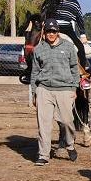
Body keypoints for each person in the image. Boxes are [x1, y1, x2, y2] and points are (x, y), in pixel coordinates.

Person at [30, 18, 80, 166]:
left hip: (64, 89)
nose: (51, 34)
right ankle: (43, 154)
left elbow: (74, 69)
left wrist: (74, 88)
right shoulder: (38, 49)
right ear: (44, 33)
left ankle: (70, 144)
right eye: (49, 31)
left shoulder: (69, 47)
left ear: (58, 33)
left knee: (66, 121)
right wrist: (34, 92)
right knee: (44, 124)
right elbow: (34, 72)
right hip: (44, 89)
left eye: (54, 31)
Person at [40, 0, 89, 71]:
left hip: (68, 29)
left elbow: (79, 19)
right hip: (52, 29)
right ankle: (33, 70)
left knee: (81, 48)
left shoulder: (74, 3)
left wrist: (83, 35)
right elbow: (43, 16)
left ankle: (82, 74)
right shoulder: (50, 2)